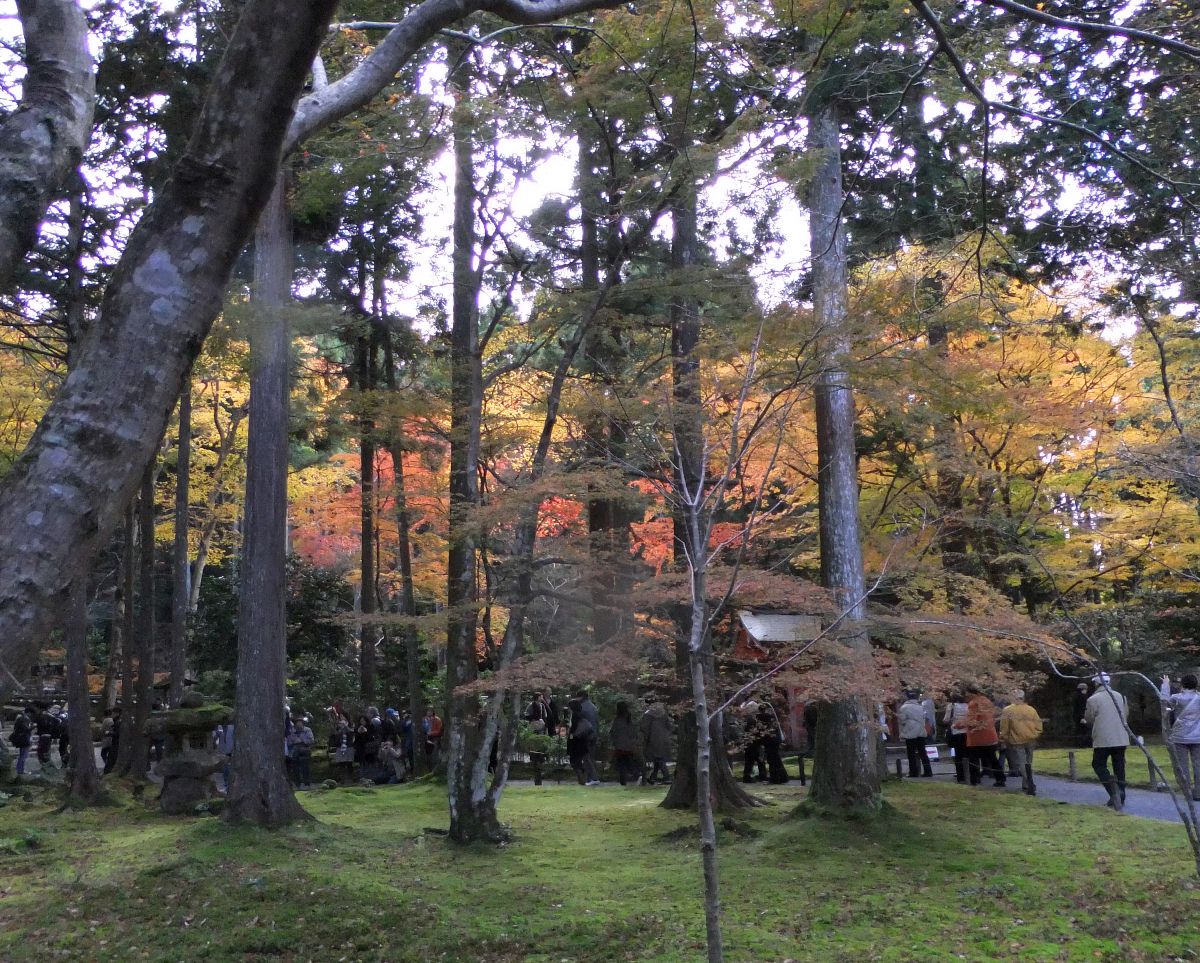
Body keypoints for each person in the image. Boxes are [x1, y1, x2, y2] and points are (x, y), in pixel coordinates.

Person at [1084, 673, 1129, 811]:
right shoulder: (1121, 696)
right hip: (1120, 736)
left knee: (1098, 764)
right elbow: (1126, 714)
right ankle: (1121, 792)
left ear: (1096, 684)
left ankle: (1113, 790)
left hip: (1103, 738)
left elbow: (1089, 718)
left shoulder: (1093, 699)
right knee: (1119, 764)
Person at [1160, 673, 1200, 802]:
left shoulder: (1176, 698)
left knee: (1182, 766)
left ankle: (1187, 792)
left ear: (1182, 684)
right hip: (1198, 737)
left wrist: (1165, 685)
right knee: (1198, 765)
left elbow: (1164, 705)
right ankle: (1198, 793)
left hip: (1180, 736)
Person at [999, 689, 1043, 795]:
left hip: (1017, 740)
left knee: (1022, 762)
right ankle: (1026, 783)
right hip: (1031, 739)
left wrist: (1003, 738)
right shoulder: (1031, 709)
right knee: (1028, 762)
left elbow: (1004, 727)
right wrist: (1035, 734)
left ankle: (1028, 782)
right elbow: (1039, 725)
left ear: (1013, 698)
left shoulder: (1008, 710)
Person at [965, 686, 1005, 787]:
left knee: (973, 759)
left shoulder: (973, 704)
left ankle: (974, 779)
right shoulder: (987, 701)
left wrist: (958, 724)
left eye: (967, 693)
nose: (966, 695)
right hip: (990, 735)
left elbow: (971, 721)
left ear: (972, 693)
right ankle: (1000, 778)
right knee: (992, 758)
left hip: (977, 737)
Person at [899, 690, 933, 778]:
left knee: (911, 754)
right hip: (921, 731)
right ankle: (928, 771)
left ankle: (913, 772)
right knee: (923, 752)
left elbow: (902, 720)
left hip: (910, 732)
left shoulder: (904, 707)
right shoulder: (920, 707)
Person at [641, 695, 673, 785]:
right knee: (658, 758)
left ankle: (667, 777)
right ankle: (653, 777)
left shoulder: (648, 714)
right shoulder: (663, 712)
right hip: (664, 738)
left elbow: (644, 728)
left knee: (659, 758)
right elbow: (669, 726)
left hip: (653, 739)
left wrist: (645, 739)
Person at [757, 699, 790, 784]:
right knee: (776, 758)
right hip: (775, 740)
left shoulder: (763, 717)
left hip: (770, 741)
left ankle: (775, 778)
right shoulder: (772, 716)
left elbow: (761, 730)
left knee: (772, 759)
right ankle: (782, 777)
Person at [609, 701, 640, 786]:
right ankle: (637, 775)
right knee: (629, 762)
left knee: (621, 764)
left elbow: (613, 732)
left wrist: (613, 742)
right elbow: (634, 733)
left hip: (620, 746)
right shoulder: (630, 720)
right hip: (629, 745)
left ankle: (623, 780)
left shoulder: (617, 720)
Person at [567, 696, 596, 785]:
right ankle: (583, 778)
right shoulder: (579, 715)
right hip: (581, 741)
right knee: (580, 760)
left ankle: (582, 779)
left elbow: (574, 729)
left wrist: (571, 733)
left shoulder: (575, 716)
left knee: (575, 761)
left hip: (577, 741)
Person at [575, 689, 601, 785]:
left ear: (581, 697)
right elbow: (597, 722)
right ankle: (590, 778)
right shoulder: (593, 707)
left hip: (585, 735)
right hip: (593, 734)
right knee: (591, 757)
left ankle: (593, 778)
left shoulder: (581, 707)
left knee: (586, 757)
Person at [943, 694, 969, 783]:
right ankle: (969, 774)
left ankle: (960, 776)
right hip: (967, 733)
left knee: (958, 755)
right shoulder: (968, 705)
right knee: (967, 754)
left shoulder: (951, 706)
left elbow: (946, 719)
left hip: (956, 732)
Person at [740, 700, 767, 783]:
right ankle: (758, 775)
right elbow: (755, 731)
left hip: (750, 742)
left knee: (751, 760)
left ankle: (750, 775)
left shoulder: (748, 718)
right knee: (756, 759)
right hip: (753, 742)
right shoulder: (752, 719)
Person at [287, 714, 314, 788]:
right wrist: (294, 742)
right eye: (297, 722)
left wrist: (301, 740)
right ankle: (297, 784)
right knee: (295, 768)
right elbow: (289, 742)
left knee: (305, 767)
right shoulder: (292, 732)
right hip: (295, 751)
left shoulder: (307, 730)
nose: (299, 724)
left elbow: (311, 740)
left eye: (300, 722)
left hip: (305, 750)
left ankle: (307, 784)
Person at [9, 705, 32, 776]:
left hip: (20, 738)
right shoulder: (25, 719)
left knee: (22, 755)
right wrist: (33, 727)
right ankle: (20, 770)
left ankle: (19, 769)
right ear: (29, 712)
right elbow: (27, 729)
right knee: (23, 755)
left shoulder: (19, 718)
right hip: (24, 739)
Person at [1073, 681, 1092, 748]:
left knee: (1079, 731)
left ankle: (1080, 744)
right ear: (1083, 689)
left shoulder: (1076, 696)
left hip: (1077, 717)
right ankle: (1083, 744)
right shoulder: (1082, 697)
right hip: (1082, 717)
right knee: (1084, 731)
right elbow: (1081, 708)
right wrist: (1082, 717)